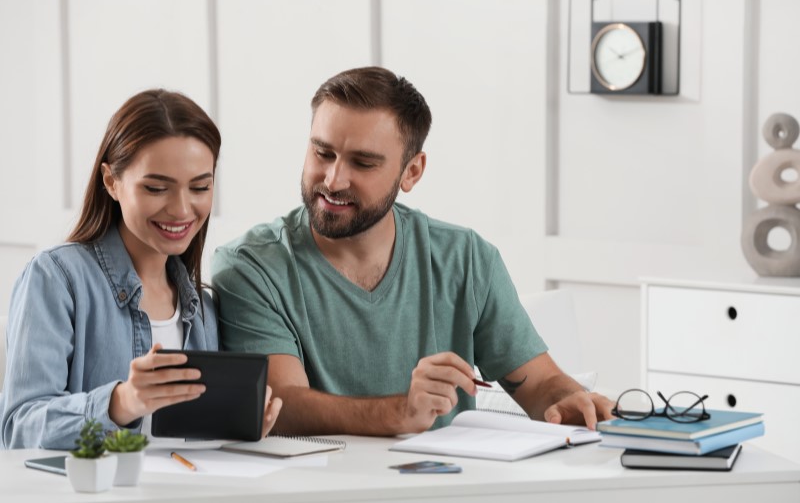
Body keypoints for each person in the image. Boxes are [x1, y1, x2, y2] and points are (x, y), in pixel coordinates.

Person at [211, 67, 613, 436]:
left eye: (363, 163)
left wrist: (568, 400)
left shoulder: (466, 258)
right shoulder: (251, 265)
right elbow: (281, 405)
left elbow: (541, 382)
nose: (333, 180)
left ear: (412, 172)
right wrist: (400, 412)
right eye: (323, 153)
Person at [0, 89, 282, 450]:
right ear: (111, 182)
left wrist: (238, 425)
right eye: (156, 187)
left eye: (200, 186)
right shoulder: (56, 279)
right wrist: (121, 403)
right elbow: (20, 427)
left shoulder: (203, 306)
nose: (182, 210)